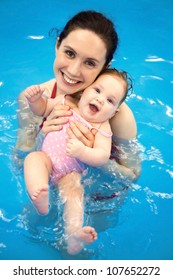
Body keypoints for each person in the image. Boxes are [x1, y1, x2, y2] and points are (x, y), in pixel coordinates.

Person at [15, 10, 141, 182]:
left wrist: (93, 157)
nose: (73, 71)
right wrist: (42, 137)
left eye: (90, 63)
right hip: (46, 191)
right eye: (69, 53)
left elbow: (132, 176)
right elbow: (19, 162)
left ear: (105, 66)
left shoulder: (118, 116)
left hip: (98, 202)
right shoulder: (31, 99)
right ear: (57, 45)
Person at [24, 68, 132, 254]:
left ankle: (73, 234)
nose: (100, 99)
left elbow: (102, 155)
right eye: (97, 91)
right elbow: (43, 108)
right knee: (33, 159)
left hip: (69, 173)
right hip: (47, 160)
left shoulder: (102, 127)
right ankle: (39, 194)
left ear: (114, 112)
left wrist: (82, 152)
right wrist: (35, 101)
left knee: (75, 193)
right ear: (84, 91)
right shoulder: (65, 102)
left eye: (109, 100)